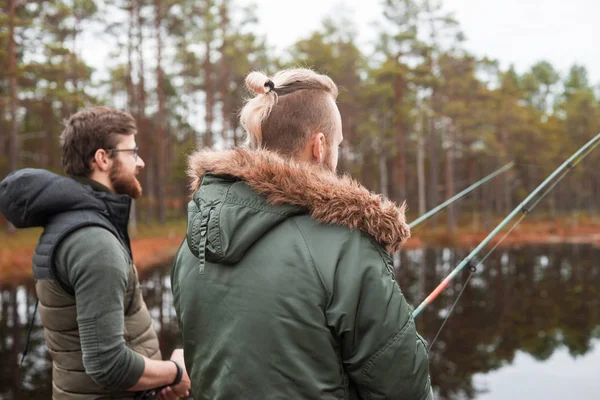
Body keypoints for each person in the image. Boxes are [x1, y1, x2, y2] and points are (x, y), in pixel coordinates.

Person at [171, 68, 433, 399]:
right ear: (319, 145)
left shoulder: (194, 243)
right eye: (337, 144)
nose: (337, 155)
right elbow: (402, 388)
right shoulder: (347, 247)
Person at [0, 106, 191, 399]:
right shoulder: (93, 242)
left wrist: (153, 383)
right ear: (102, 158)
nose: (140, 162)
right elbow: (107, 364)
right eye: (132, 152)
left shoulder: (76, 224)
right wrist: (176, 373)